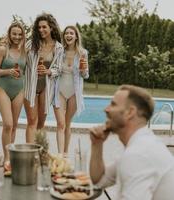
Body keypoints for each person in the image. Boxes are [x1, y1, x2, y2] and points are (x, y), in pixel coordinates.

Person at [89, 85, 174, 200]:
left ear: (130, 112)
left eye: (113, 104)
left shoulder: (139, 154)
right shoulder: (141, 145)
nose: (106, 109)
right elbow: (99, 180)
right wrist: (97, 144)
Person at [24, 13, 63, 143]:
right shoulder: (31, 44)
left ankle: (38, 153)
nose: (41, 30)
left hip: (46, 88)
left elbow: (59, 69)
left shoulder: (58, 47)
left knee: (40, 124)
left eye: (44, 27)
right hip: (30, 86)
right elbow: (18, 53)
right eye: (39, 27)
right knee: (31, 122)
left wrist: (49, 71)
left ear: (51, 27)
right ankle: (29, 154)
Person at [0, 22, 26, 175]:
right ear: (9, 33)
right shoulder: (2, 50)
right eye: (14, 34)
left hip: (19, 89)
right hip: (3, 89)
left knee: (14, 126)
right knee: (7, 124)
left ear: (23, 35)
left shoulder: (25, 51)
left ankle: (11, 156)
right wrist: (8, 71)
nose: (17, 37)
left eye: (20, 34)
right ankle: (6, 158)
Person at [53, 25, 89, 156]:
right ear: (64, 36)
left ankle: (66, 153)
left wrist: (83, 70)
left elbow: (85, 75)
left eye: (71, 33)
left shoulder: (83, 53)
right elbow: (55, 69)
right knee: (60, 124)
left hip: (74, 92)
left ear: (76, 36)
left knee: (67, 124)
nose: (68, 35)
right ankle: (60, 155)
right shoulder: (59, 52)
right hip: (60, 91)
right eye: (66, 33)